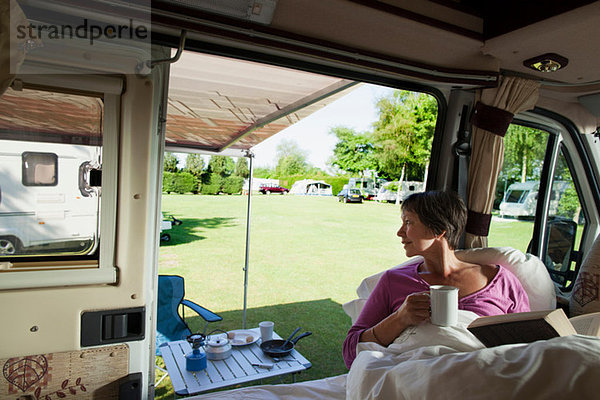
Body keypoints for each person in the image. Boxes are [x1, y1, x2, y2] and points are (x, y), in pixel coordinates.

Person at [342, 190, 530, 369]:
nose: (400, 232)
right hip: (413, 377)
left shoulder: (501, 281)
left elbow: (528, 345)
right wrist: (400, 318)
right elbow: (351, 352)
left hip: (482, 377)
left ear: (438, 230)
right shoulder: (393, 281)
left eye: (408, 222)